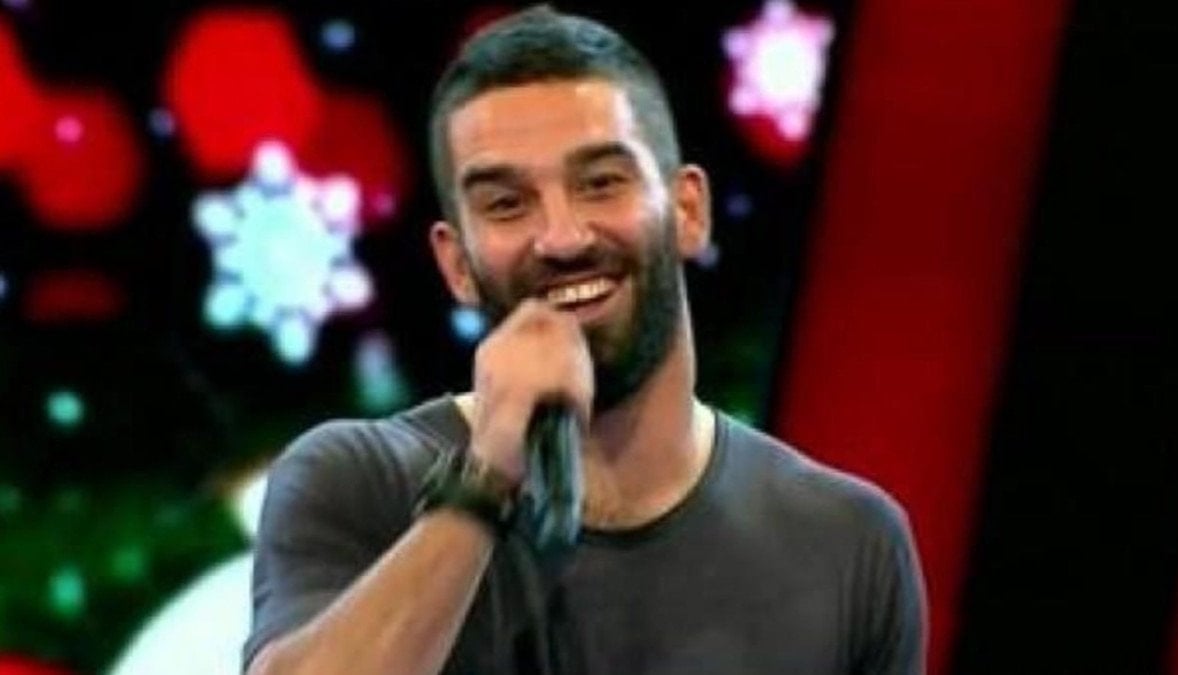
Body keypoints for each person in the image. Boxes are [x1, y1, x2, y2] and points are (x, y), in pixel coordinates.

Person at [244, 6, 926, 674]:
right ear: (457, 265)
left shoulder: (848, 542)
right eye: (506, 203)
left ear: (688, 210)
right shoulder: (357, 482)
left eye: (601, 183)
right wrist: (487, 478)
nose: (563, 237)